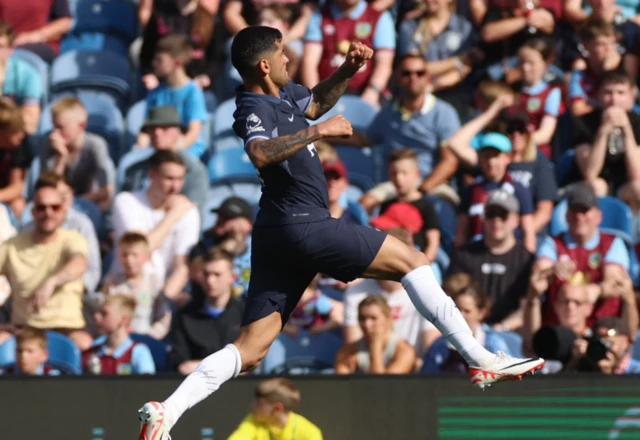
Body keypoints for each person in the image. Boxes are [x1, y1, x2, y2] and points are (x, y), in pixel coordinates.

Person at [137, 26, 543, 439]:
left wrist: (348, 69)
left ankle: (166, 413)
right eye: (281, 54)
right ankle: (478, 357)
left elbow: (315, 103)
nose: (288, 58)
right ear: (263, 65)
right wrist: (319, 132)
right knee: (412, 260)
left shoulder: (286, 94)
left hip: (278, 232)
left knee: (252, 348)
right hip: (301, 223)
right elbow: (260, 153)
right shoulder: (252, 106)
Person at [358, 55, 461, 210]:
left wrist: (419, 192)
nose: (413, 78)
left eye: (419, 73)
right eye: (406, 73)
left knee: (445, 207)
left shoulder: (444, 113)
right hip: (395, 185)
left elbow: (450, 162)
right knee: (362, 205)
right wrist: (322, 135)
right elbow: (363, 139)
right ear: (397, 77)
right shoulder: (387, 113)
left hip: (433, 185)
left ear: (427, 77)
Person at [0, 177, 92, 351]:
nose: (48, 213)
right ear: (33, 211)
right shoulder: (13, 245)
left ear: (63, 211)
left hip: (66, 328)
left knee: (85, 345)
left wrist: (51, 282)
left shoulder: (72, 239)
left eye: (54, 207)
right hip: (24, 329)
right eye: (41, 208)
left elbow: (79, 263)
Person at [111, 150, 200, 302]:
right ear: (151, 175)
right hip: (123, 291)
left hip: (162, 295)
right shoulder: (126, 201)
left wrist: (163, 302)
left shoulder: (188, 212)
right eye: (169, 179)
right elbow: (139, 250)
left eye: (180, 179)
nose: (175, 186)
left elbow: (182, 266)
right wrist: (172, 216)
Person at [448, 189, 535, 330]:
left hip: (510, 332)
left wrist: (502, 327)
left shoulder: (525, 260)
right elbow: (452, 298)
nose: (496, 220)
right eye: (491, 214)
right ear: (483, 218)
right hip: (468, 328)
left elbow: (528, 308)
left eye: (503, 215)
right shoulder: (465, 254)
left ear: (515, 220)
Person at [119, 105, 209, 218]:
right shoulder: (134, 171)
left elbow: (194, 213)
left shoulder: (195, 171)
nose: (157, 133)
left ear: (179, 132)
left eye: (164, 128)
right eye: (152, 128)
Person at [301, 0, 395, 107]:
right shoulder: (319, 16)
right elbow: (309, 63)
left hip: (364, 92)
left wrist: (372, 92)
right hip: (327, 92)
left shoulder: (379, 17)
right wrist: (315, 100)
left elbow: (384, 64)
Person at [21, 172, 101, 295]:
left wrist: (66, 291)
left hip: (73, 298)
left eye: (68, 193)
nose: (67, 198)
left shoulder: (80, 225)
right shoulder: (28, 229)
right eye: (61, 195)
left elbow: (92, 271)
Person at [455, 132, 537, 252]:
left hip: (509, 255)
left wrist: (527, 258)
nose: (491, 162)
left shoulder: (519, 190)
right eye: (486, 156)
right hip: (475, 254)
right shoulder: (471, 190)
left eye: (496, 156)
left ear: (507, 158)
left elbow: (528, 231)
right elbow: (462, 230)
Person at [168, 248, 244, 375]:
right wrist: (227, 368)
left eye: (217, 274)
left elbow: (249, 365)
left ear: (232, 277)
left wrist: (201, 366)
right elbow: (182, 365)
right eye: (206, 274)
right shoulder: (185, 316)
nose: (210, 281)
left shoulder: (245, 315)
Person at [39, 97, 115, 211]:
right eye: (54, 126)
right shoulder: (49, 144)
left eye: (60, 127)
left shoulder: (95, 145)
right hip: (54, 207)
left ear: (81, 126)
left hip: (87, 203)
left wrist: (74, 202)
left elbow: (106, 190)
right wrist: (61, 158)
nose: (55, 133)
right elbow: (48, 190)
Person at [140, 34, 208, 158]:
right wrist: (140, 150)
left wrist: (175, 150)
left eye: (160, 60)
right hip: (159, 152)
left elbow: (193, 133)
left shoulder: (193, 92)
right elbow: (145, 131)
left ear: (177, 62)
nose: (154, 64)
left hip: (187, 153)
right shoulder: (154, 93)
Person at [422, 282, 513, 373]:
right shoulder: (440, 346)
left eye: (467, 311)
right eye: (457, 309)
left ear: (481, 313)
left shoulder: (494, 344)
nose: (461, 315)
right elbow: (427, 381)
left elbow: (508, 378)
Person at [101, 232, 170, 340]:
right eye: (125, 255)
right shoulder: (112, 284)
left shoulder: (153, 283)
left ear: (147, 257)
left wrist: (151, 337)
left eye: (134, 255)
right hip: (118, 340)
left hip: (146, 338)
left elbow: (163, 316)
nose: (129, 260)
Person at [335, 295, 417, 374]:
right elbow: (342, 383)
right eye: (362, 318)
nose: (367, 324)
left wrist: (375, 347)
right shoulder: (349, 351)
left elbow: (383, 385)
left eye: (373, 318)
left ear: (387, 318)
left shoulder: (404, 350)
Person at [228, 378, 323, 440]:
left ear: (277, 408)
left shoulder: (310, 433)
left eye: (258, 403)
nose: (252, 405)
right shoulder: (253, 420)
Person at [82, 294, 156, 375]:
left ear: (123, 320)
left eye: (104, 313)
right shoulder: (92, 351)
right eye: (98, 312)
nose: (96, 316)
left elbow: (148, 385)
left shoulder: (138, 352)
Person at [515, 38, 563, 159]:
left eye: (531, 63)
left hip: (536, 155)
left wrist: (519, 143)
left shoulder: (551, 92)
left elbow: (545, 134)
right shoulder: (512, 91)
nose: (525, 67)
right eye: (522, 62)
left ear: (545, 64)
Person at [0, 20, 43, 134]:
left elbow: (30, 124)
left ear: (10, 49)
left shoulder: (28, 75)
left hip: (16, 140)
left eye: (0, 46)